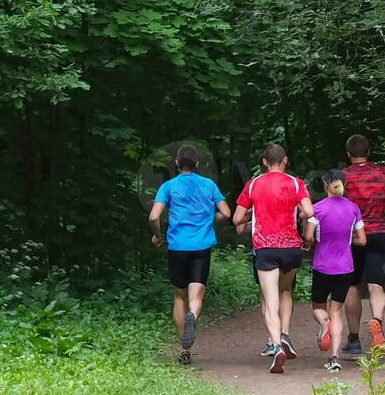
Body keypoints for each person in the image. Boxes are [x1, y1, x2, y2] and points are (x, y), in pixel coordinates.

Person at [233, 143, 314, 374]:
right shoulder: (296, 183)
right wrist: (297, 212)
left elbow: (237, 218)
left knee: (270, 300)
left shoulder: (254, 184)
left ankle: (276, 344)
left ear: (264, 163)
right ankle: (286, 335)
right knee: (286, 291)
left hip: (265, 247)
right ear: (285, 160)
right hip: (290, 247)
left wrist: (252, 212)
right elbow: (308, 212)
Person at [147, 145, 231, 365]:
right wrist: (208, 220)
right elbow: (227, 213)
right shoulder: (209, 185)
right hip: (201, 247)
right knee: (196, 296)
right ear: (197, 164)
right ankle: (192, 315)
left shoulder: (168, 186)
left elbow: (153, 217)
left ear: (176, 164)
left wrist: (158, 236)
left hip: (177, 247)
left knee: (179, 296)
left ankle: (184, 351)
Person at [340, 134, 385, 356]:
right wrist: (380, 207)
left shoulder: (342, 177)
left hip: (352, 236)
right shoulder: (384, 173)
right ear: (368, 151)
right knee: (376, 284)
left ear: (349, 154)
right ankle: (376, 321)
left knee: (351, 285)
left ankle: (353, 340)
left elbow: (335, 205)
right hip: (379, 233)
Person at [307, 170, 366, 372]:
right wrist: (347, 241)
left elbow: (308, 236)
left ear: (325, 185)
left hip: (323, 266)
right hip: (345, 266)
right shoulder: (353, 209)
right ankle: (334, 358)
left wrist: (310, 242)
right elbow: (362, 240)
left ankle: (324, 324)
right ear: (344, 184)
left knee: (318, 307)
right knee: (337, 311)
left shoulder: (317, 209)